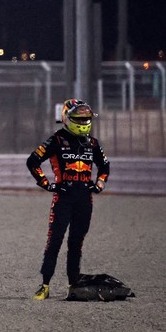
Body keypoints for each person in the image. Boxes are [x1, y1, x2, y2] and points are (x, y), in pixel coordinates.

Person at [26, 98, 110, 300]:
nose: (83, 123)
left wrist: (99, 184)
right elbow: (33, 161)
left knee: (76, 243)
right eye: (78, 119)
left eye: (86, 119)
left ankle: (74, 285)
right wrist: (48, 185)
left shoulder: (93, 143)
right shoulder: (56, 139)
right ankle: (45, 285)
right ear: (66, 118)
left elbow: (105, 166)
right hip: (63, 200)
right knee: (54, 241)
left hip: (85, 201)